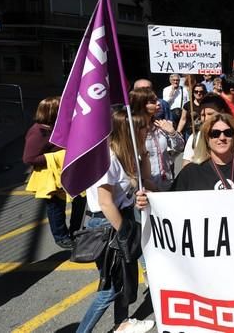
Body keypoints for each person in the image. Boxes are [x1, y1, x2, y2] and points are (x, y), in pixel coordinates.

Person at [77, 110, 154, 333]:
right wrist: (125, 234)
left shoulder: (125, 155)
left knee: (126, 279)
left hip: (121, 221)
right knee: (110, 288)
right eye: (142, 127)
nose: (147, 130)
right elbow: (105, 202)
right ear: (127, 131)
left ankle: (122, 322)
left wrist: (143, 153)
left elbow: (144, 180)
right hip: (107, 225)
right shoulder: (108, 159)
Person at [24, 96, 86, 249]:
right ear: (52, 112)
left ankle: (76, 231)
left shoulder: (58, 127)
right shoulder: (38, 132)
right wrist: (59, 157)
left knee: (80, 201)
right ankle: (61, 236)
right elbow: (29, 158)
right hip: (51, 175)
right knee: (56, 207)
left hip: (67, 172)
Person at [172, 112, 234, 191]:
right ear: (206, 138)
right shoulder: (191, 171)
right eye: (215, 134)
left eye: (228, 133)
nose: (222, 138)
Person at [129, 88, 184, 191]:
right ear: (141, 105)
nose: (158, 103)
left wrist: (172, 132)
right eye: (153, 102)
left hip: (166, 183)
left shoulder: (161, 125)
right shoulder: (131, 130)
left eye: (157, 100)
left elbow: (180, 148)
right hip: (144, 188)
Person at [182, 94, 234, 167]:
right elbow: (186, 165)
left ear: (222, 112)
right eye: (203, 115)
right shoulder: (194, 138)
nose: (206, 119)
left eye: (210, 114)